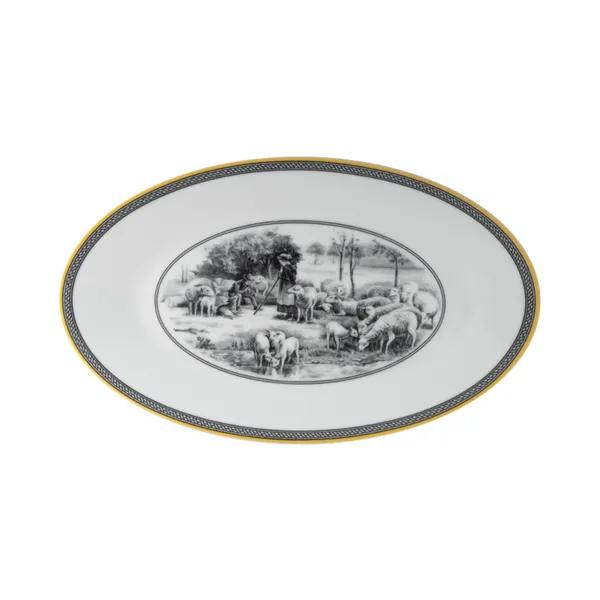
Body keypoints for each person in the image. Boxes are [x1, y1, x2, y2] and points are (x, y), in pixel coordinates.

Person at [276, 253, 297, 319]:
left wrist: (281, 274)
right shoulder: (289, 266)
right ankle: (288, 314)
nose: (279, 261)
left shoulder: (286, 267)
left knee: (287, 298)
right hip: (288, 284)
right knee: (287, 298)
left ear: (283, 260)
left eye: (280, 260)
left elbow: (288, 277)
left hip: (287, 284)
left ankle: (289, 314)